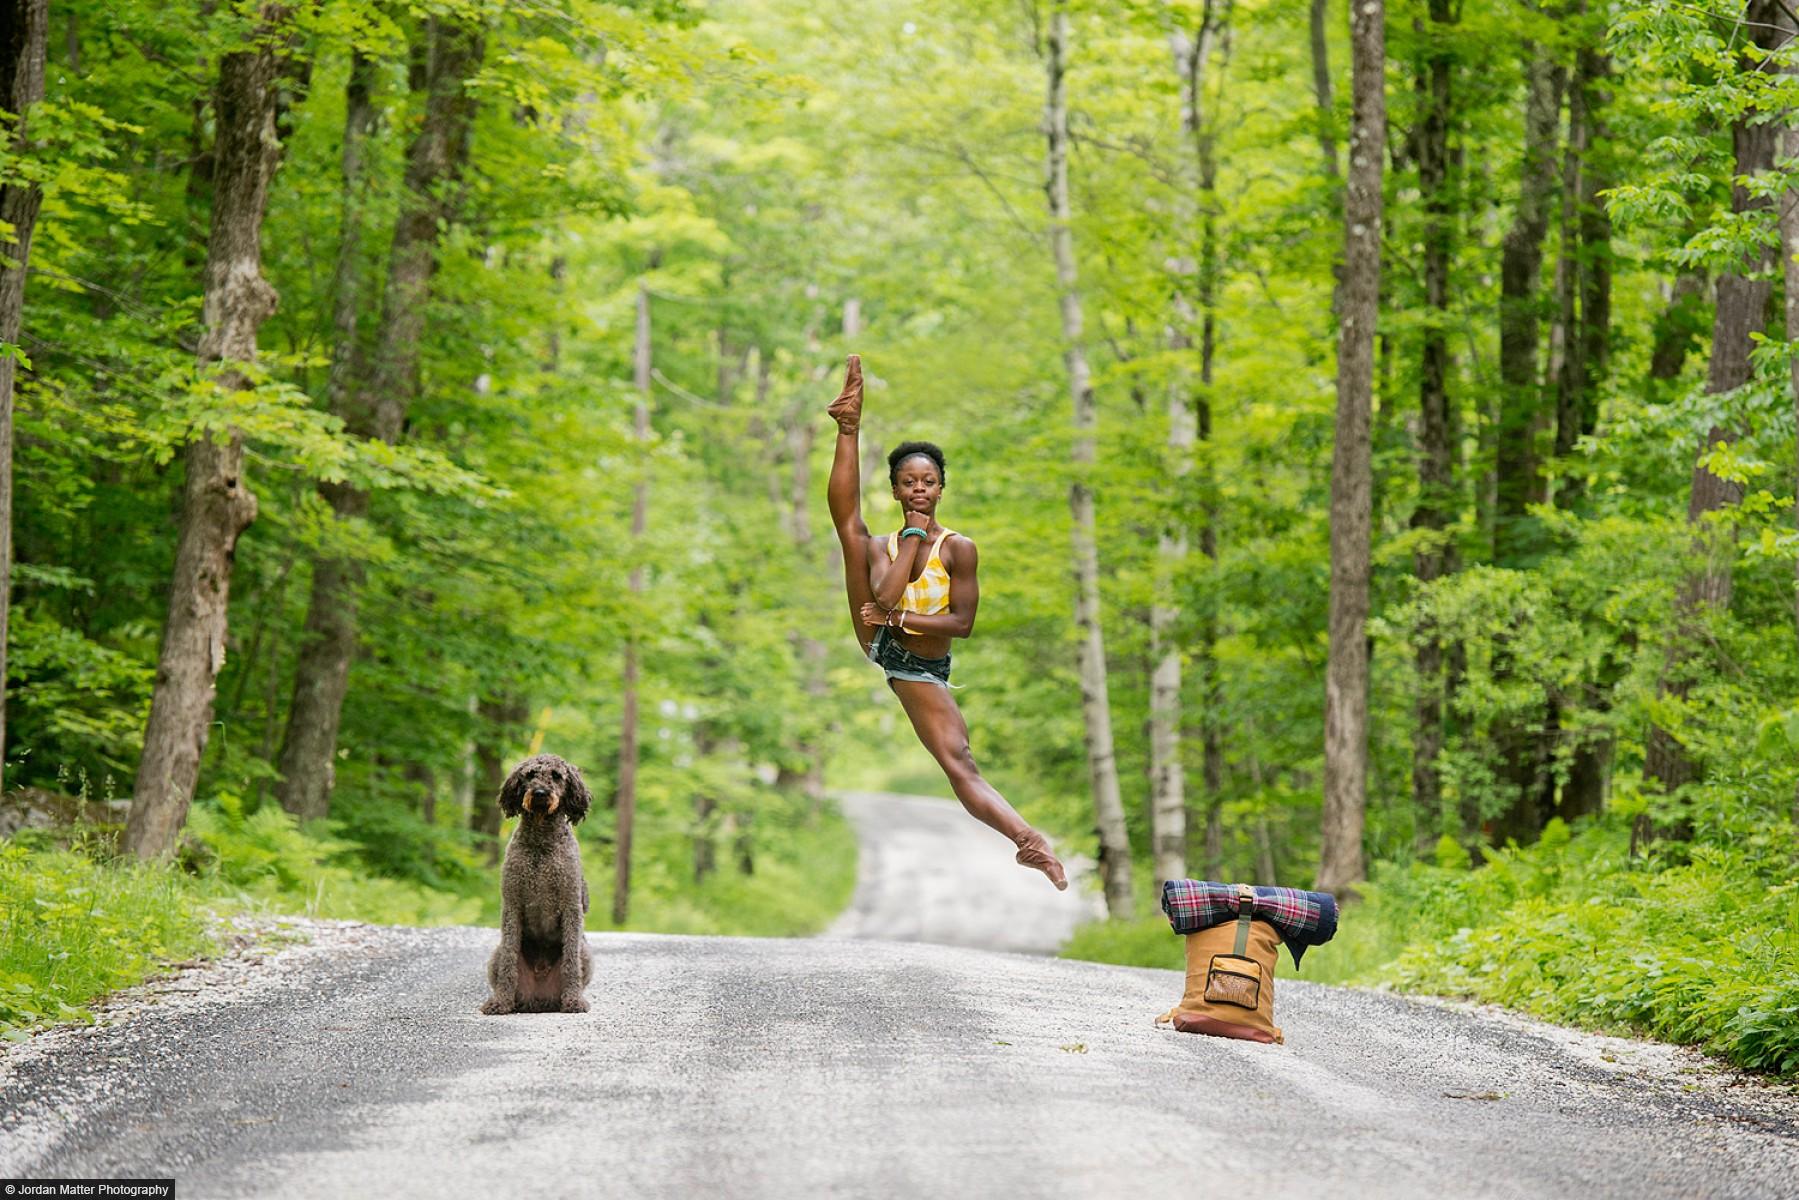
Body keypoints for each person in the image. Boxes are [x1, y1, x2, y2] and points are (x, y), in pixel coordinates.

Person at [825, 354, 1068, 890]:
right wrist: (909, 540)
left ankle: (1029, 843)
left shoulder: (960, 549)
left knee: (959, 762)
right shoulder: (881, 546)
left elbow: (960, 623)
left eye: (928, 481)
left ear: (940, 488)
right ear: (894, 489)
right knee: (850, 531)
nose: (918, 488)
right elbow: (884, 595)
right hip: (883, 641)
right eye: (908, 482)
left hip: (921, 658)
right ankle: (848, 427)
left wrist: (901, 611)